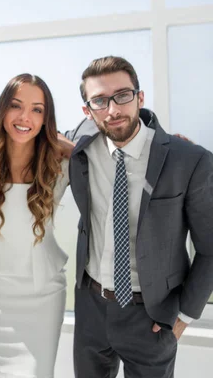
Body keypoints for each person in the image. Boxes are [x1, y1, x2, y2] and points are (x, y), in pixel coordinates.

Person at [68, 56, 213, 377]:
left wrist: (185, 316)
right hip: (91, 307)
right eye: (100, 101)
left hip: (152, 315)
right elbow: (27, 131)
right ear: (87, 112)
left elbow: (209, 248)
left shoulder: (189, 159)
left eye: (122, 95)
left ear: (140, 97)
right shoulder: (81, 146)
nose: (113, 109)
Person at [0, 73, 69, 378]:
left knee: (40, 373)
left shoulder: (59, 163)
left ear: (46, 118)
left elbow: (92, 152)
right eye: (16, 106)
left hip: (45, 292)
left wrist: (46, 133)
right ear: (2, 110)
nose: (25, 116)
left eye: (37, 109)